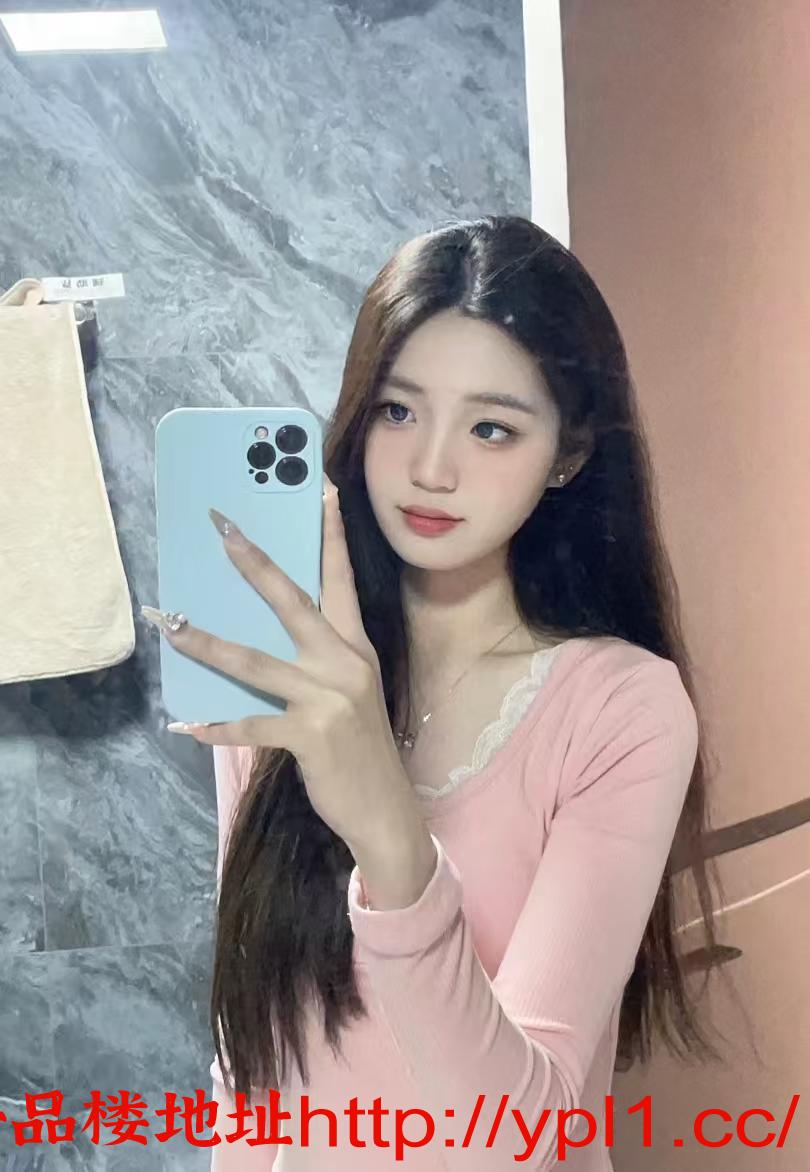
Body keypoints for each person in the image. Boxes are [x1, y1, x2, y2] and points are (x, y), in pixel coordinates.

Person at [175, 217, 725, 1168]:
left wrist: (391, 840)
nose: (431, 467)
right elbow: (250, 1060)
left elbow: (517, 1139)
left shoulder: (622, 710)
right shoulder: (291, 675)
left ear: (568, 453)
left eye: (491, 427)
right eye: (397, 411)